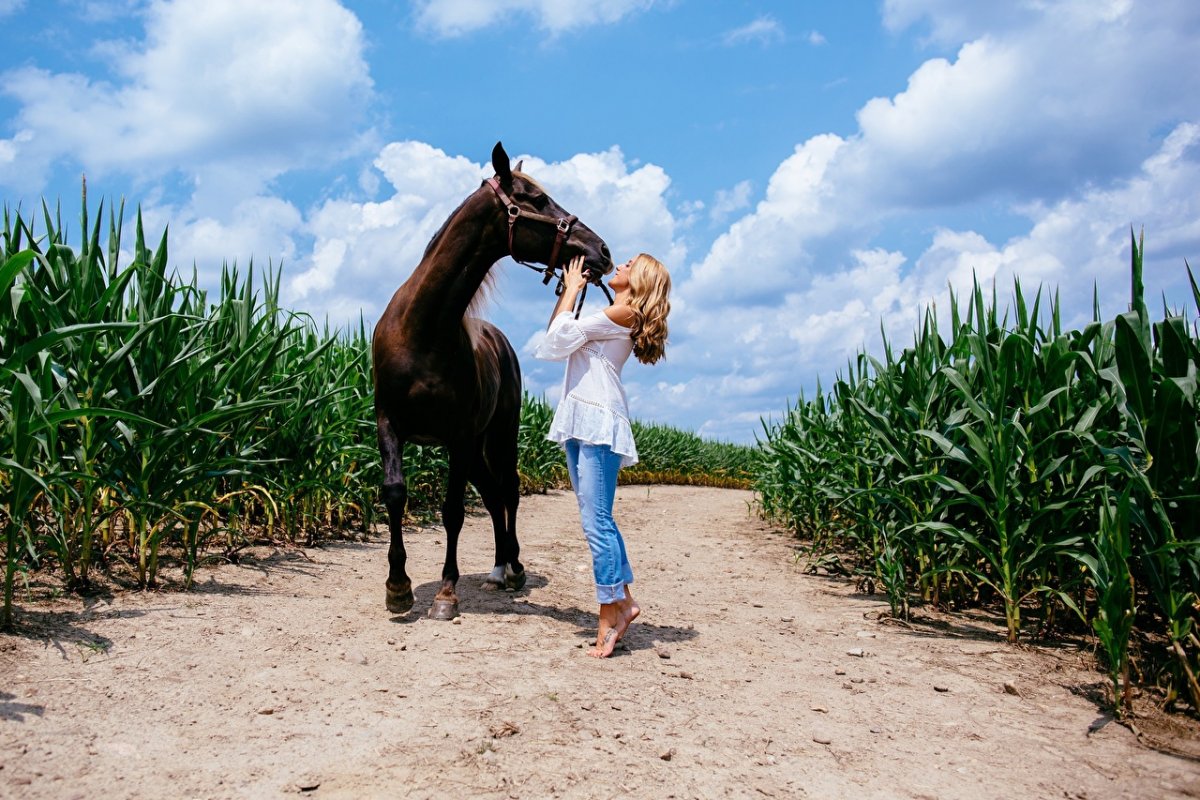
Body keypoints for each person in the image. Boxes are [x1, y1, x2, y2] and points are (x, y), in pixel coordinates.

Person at [534, 252, 672, 658]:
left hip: (598, 422)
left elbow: (555, 341)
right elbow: (555, 339)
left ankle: (609, 613)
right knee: (598, 520)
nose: (621, 265)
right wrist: (569, 294)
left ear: (639, 281)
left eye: (629, 265)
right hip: (583, 420)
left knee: (596, 523)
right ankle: (624, 602)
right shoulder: (613, 314)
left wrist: (572, 289)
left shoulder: (622, 314)